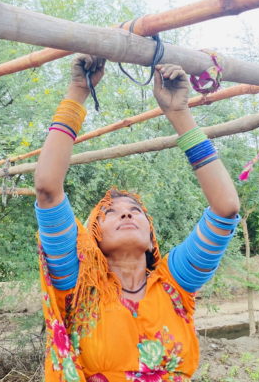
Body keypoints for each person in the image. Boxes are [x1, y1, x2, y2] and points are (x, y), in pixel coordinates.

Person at [34, 54, 241, 382]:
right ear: (93, 237)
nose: (126, 212)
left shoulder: (175, 285)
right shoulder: (78, 286)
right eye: (109, 213)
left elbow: (226, 208)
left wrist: (179, 114)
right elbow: (47, 190)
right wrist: (77, 91)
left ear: (151, 235)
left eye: (136, 210)